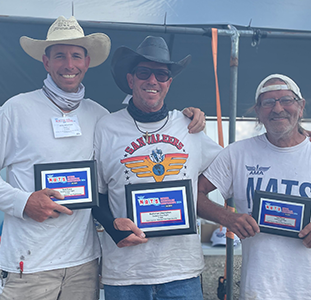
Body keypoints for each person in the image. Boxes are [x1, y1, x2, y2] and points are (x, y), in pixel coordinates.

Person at [0, 17, 205, 300]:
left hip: (83, 263)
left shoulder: (99, 117)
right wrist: (24, 202)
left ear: (87, 62)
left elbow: (104, 183)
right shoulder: (17, 109)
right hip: (29, 262)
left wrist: (189, 115)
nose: (69, 64)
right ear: (46, 61)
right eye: (60, 56)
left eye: (76, 55)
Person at [197, 74, 311, 299]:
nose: (277, 109)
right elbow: (194, 195)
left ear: (301, 107)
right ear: (258, 112)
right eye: (268, 102)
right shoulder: (237, 154)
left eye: (286, 100)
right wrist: (228, 218)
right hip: (259, 290)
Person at [92, 35, 223, 300]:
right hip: (125, 275)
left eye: (161, 75)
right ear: (131, 80)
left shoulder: (189, 127)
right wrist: (111, 224)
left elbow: (233, 165)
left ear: (169, 83)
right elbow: (94, 192)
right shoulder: (106, 127)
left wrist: (301, 140)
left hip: (181, 273)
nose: (153, 81)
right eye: (144, 73)